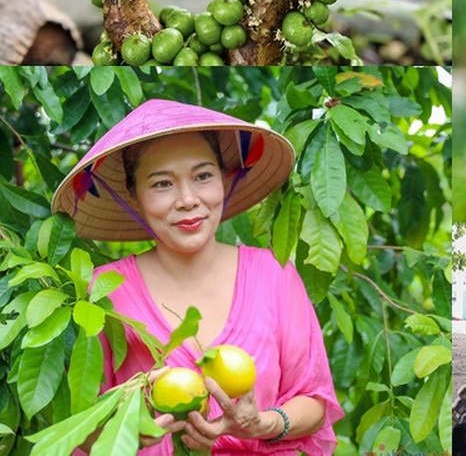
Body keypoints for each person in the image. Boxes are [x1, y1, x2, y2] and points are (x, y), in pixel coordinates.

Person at [51, 98, 343, 455]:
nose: (188, 199)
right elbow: (77, 422)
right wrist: (128, 432)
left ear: (222, 180)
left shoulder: (274, 273)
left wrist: (262, 424)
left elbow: (313, 399)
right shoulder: (103, 291)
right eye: (162, 184)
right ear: (134, 196)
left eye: (203, 176)